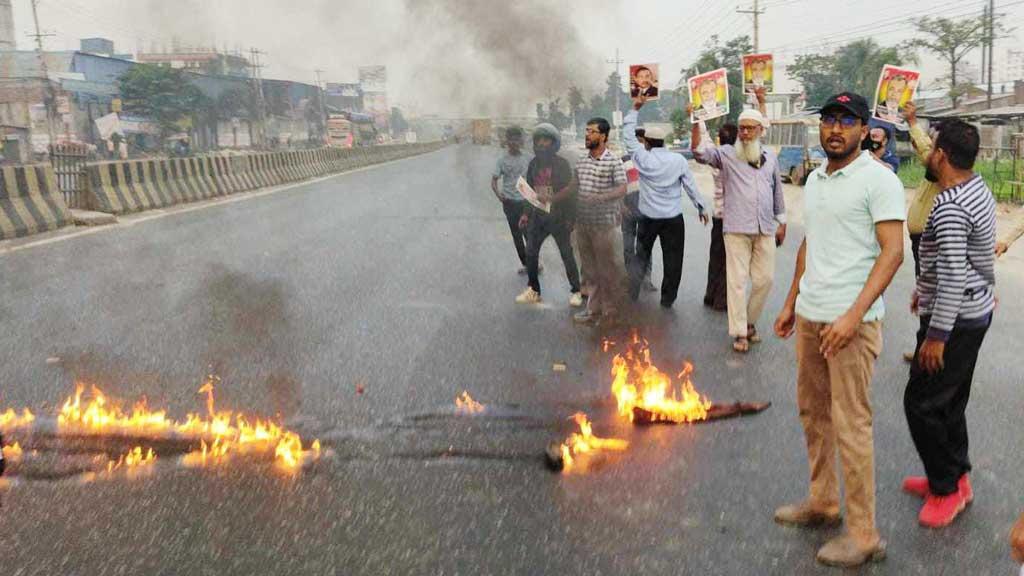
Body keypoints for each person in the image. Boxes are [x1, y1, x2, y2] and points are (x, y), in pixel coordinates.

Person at [773, 92, 905, 568]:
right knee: (813, 414)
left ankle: (864, 534)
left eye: (845, 121)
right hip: (812, 315)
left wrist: (851, 316)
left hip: (853, 323)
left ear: (864, 128)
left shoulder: (879, 180)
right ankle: (823, 501)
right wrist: (791, 302)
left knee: (852, 425)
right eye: (828, 120)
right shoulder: (815, 179)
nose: (834, 129)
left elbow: (893, 252)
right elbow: (813, 243)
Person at [902, 120, 995, 529]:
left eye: (933, 147)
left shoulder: (951, 204)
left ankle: (946, 490)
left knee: (921, 403)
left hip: (955, 322)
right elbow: (962, 260)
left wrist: (936, 335)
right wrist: (925, 288)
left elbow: (956, 274)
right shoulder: (977, 188)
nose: (931, 154)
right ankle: (957, 475)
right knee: (950, 400)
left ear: (941, 155)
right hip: (973, 312)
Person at [693, 93, 786, 353]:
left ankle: (750, 322)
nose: (744, 133)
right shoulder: (726, 154)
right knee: (736, 281)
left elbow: (777, 189)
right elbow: (700, 153)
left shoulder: (771, 156)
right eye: (741, 128)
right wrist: (694, 123)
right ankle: (740, 332)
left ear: (759, 131)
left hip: (765, 227)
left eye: (749, 128)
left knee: (764, 280)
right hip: (735, 228)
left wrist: (783, 220)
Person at [625, 95, 708, 308]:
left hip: (648, 218)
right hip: (673, 219)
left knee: (641, 256)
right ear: (663, 141)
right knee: (673, 260)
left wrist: (635, 109)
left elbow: (628, 138)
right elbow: (690, 185)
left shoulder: (642, 158)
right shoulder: (678, 160)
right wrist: (701, 206)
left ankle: (632, 294)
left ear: (647, 142)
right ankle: (667, 299)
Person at [515, 123, 584, 308]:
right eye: (539, 140)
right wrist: (525, 214)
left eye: (546, 140)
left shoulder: (561, 164)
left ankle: (576, 290)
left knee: (566, 254)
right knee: (531, 252)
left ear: (554, 143)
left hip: (559, 216)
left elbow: (571, 193)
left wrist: (571, 218)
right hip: (538, 216)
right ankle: (534, 290)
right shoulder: (533, 164)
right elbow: (529, 191)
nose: (542, 143)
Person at [572, 117, 628, 325]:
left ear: (603, 136)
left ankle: (610, 310)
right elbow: (574, 186)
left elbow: (622, 188)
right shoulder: (581, 160)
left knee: (607, 269)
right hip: (583, 223)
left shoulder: (613, 160)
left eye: (592, 131)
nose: (588, 135)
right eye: (586, 131)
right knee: (590, 270)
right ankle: (593, 310)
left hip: (604, 225)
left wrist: (600, 198)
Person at [903, 101, 942, 362]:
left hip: (929, 242)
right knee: (926, 296)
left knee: (931, 298)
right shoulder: (933, 173)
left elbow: (926, 153)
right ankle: (924, 347)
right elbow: (924, 151)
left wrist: (913, 123)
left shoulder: (941, 169)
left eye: (934, 142)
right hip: (920, 241)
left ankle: (928, 350)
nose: (928, 144)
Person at [703, 122, 738, 311]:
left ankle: (710, 294)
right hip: (733, 218)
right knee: (729, 262)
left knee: (715, 257)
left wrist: (699, 119)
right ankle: (721, 300)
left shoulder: (716, 158)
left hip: (718, 215)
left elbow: (704, 141)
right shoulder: (738, 160)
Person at [491, 126, 532, 274]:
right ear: (507, 141)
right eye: (511, 140)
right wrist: (499, 195)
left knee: (529, 234)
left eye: (517, 139)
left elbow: (538, 176)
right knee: (516, 235)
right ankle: (527, 264)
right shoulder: (502, 160)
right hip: (509, 203)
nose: (514, 143)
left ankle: (534, 263)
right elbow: (494, 181)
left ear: (521, 141)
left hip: (525, 202)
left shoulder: (528, 158)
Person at [621, 127, 657, 294]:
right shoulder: (623, 159)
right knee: (628, 246)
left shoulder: (652, 159)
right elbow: (616, 184)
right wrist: (621, 206)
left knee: (645, 246)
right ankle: (631, 277)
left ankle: (646, 278)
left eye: (642, 141)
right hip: (628, 208)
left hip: (646, 209)